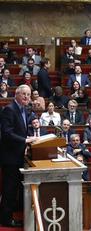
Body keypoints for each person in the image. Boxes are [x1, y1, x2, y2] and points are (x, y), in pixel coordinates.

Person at [0, 84, 38, 227]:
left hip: (19, 155)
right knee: (9, 189)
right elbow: (7, 133)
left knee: (15, 188)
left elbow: (19, 131)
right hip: (10, 158)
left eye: (28, 95)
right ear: (16, 94)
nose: (27, 97)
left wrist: (27, 141)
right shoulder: (9, 110)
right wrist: (25, 140)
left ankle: (11, 214)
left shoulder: (24, 110)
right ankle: (5, 220)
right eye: (24, 94)